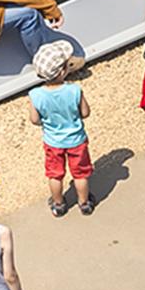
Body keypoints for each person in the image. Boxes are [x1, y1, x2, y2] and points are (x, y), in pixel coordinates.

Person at [26, 43, 94, 216]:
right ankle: (84, 203)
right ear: (63, 71)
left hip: (53, 142)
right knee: (80, 174)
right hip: (76, 140)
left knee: (55, 174)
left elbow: (34, 120)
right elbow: (85, 113)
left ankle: (58, 204)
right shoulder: (74, 90)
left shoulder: (36, 95)